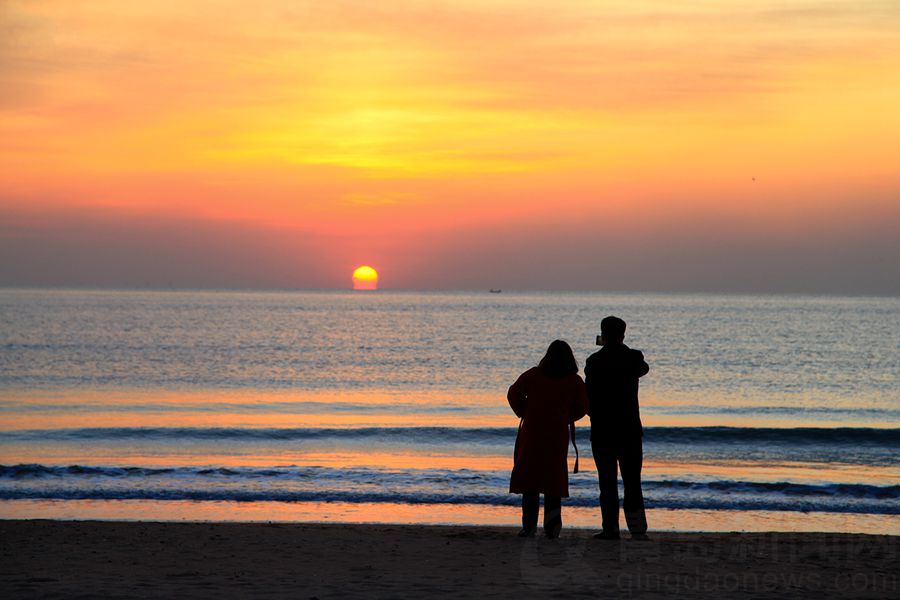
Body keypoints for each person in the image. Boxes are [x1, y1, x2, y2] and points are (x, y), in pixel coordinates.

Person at [508, 340, 588, 538]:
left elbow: (513, 394)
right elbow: (583, 407)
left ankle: (529, 527)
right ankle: (552, 529)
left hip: (533, 433)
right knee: (553, 481)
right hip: (556, 434)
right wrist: (568, 416)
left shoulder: (533, 375)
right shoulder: (574, 380)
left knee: (530, 480)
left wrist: (524, 411)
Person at [584, 316, 650, 541]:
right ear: (623, 334)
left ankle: (611, 529)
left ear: (603, 333)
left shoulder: (594, 361)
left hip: (603, 429)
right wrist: (620, 347)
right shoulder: (632, 357)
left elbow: (588, 396)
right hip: (629, 429)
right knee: (632, 482)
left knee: (607, 482)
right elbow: (643, 368)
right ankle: (637, 530)